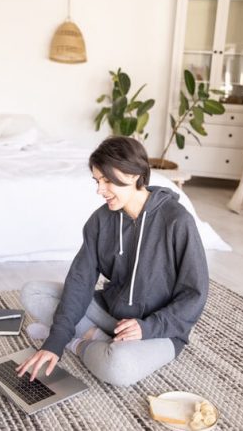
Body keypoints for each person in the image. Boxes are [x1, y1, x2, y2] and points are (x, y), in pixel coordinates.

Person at [16, 136, 209, 387]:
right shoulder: (100, 220)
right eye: (97, 181)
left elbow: (194, 294)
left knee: (119, 368)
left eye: (106, 180)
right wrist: (54, 345)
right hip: (111, 314)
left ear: (132, 175)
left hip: (157, 329)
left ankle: (81, 342)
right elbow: (80, 281)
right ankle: (88, 336)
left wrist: (147, 328)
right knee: (33, 292)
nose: (99, 190)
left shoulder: (177, 221)